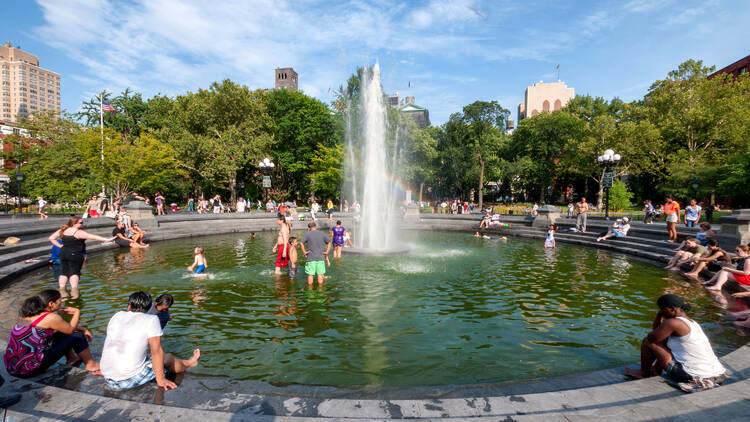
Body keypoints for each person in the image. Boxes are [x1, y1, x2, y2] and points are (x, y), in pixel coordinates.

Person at [100, 291, 200, 390]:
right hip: (126, 381)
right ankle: (190, 362)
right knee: (168, 358)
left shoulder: (117, 316)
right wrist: (160, 379)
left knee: (146, 355)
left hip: (107, 377)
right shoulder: (151, 319)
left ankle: (186, 362)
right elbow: (156, 351)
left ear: (129, 306)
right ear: (149, 307)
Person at [625, 294, 725, 389]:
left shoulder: (673, 323)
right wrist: (660, 314)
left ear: (673, 309)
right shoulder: (692, 323)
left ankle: (644, 373)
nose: (661, 312)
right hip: (716, 375)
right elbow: (657, 333)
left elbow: (651, 338)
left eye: (663, 310)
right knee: (663, 341)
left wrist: (659, 316)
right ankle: (656, 370)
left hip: (692, 376)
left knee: (647, 341)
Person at [4, 292, 99, 377]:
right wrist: (76, 312)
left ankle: (72, 359)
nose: (61, 303)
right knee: (77, 336)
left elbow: (61, 327)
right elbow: (70, 330)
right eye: (59, 301)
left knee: (62, 334)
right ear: (51, 304)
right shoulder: (51, 318)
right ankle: (91, 365)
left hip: (13, 367)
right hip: (28, 369)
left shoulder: (27, 315)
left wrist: (83, 328)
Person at [48, 217, 114, 295]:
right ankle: (74, 291)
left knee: (64, 272)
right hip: (75, 253)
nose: (82, 224)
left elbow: (51, 238)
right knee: (74, 272)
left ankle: (62, 290)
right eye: (80, 223)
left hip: (63, 253)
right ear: (74, 223)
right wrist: (107, 240)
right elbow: (93, 237)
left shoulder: (63, 230)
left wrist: (60, 246)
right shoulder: (78, 232)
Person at [300, 221, 331, 288]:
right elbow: (329, 242)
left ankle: (310, 291)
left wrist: (304, 252)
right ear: (315, 227)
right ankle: (320, 290)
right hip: (320, 257)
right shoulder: (322, 233)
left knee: (310, 275)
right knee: (320, 274)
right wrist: (327, 251)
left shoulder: (307, 234)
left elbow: (301, 243)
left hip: (311, 258)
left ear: (309, 228)